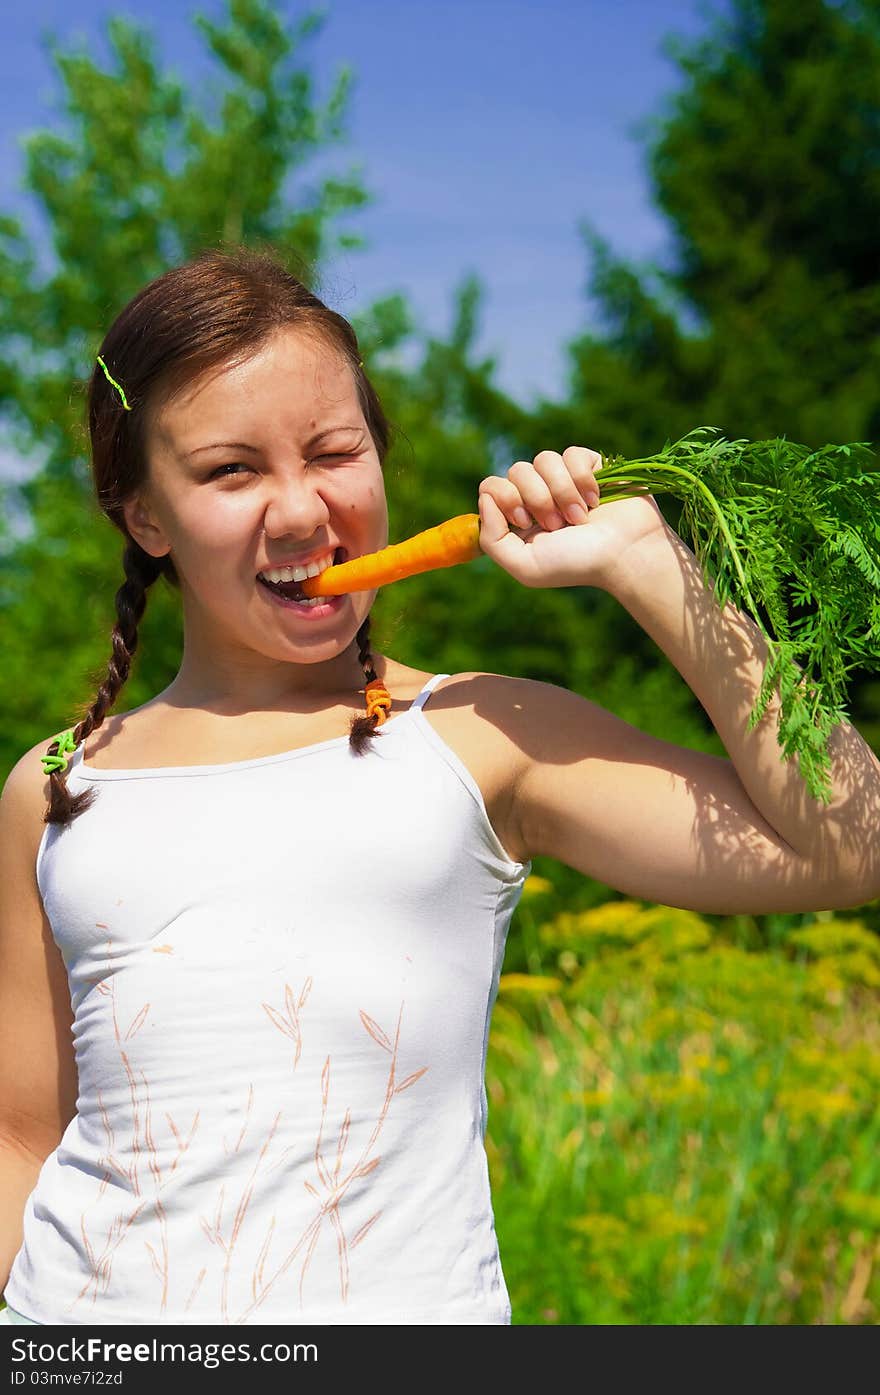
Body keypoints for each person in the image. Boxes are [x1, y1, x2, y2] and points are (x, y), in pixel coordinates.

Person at [1, 247, 877, 1329]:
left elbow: (852, 842)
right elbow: (23, 1137)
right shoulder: (56, 785)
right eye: (230, 471)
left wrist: (651, 565)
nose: (298, 509)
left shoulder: (481, 731)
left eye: (334, 451)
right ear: (144, 515)